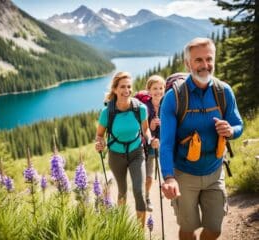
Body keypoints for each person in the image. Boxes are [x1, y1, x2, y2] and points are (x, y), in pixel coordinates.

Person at [159, 38, 243, 240]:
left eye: (209, 59)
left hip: (215, 170)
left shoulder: (224, 91)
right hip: (184, 174)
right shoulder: (174, 98)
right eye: (198, 60)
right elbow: (167, 143)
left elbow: (238, 124)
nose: (205, 65)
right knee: (188, 229)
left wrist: (231, 130)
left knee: (215, 228)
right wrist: (169, 177)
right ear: (188, 64)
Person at [95, 71, 159, 227]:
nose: (127, 90)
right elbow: (99, 135)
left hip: (137, 152)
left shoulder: (140, 109)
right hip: (116, 155)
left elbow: (145, 130)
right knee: (122, 191)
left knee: (139, 191)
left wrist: (151, 140)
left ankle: (140, 233)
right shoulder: (107, 112)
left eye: (129, 86)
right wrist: (100, 143)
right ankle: (122, 227)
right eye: (122, 86)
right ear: (115, 89)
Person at [143, 75, 166, 212]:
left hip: (165, 143)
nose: (158, 91)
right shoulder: (145, 108)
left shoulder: (167, 104)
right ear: (149, 91)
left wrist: (164, 126)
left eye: (161, 88)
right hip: (150, 146)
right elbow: (143, 130)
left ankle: (170, 191)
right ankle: (146, 197)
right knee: (149, 177)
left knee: (170, 170)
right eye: (154, 88)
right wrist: (151, 127)